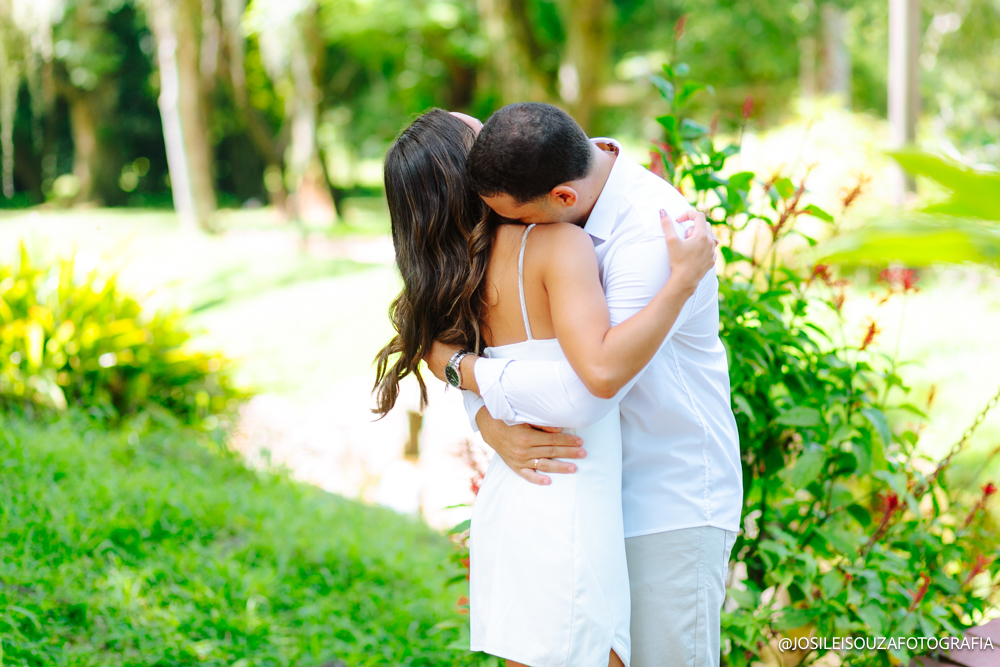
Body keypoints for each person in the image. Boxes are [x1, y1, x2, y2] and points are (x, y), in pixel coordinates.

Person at [374, 107, 717, 667]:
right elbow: (569, 376)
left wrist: (470, 381)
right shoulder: (540, 242)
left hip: (661, 495)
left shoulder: (646, 226)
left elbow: (583, 389)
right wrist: (485, 416)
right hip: (569, 486)